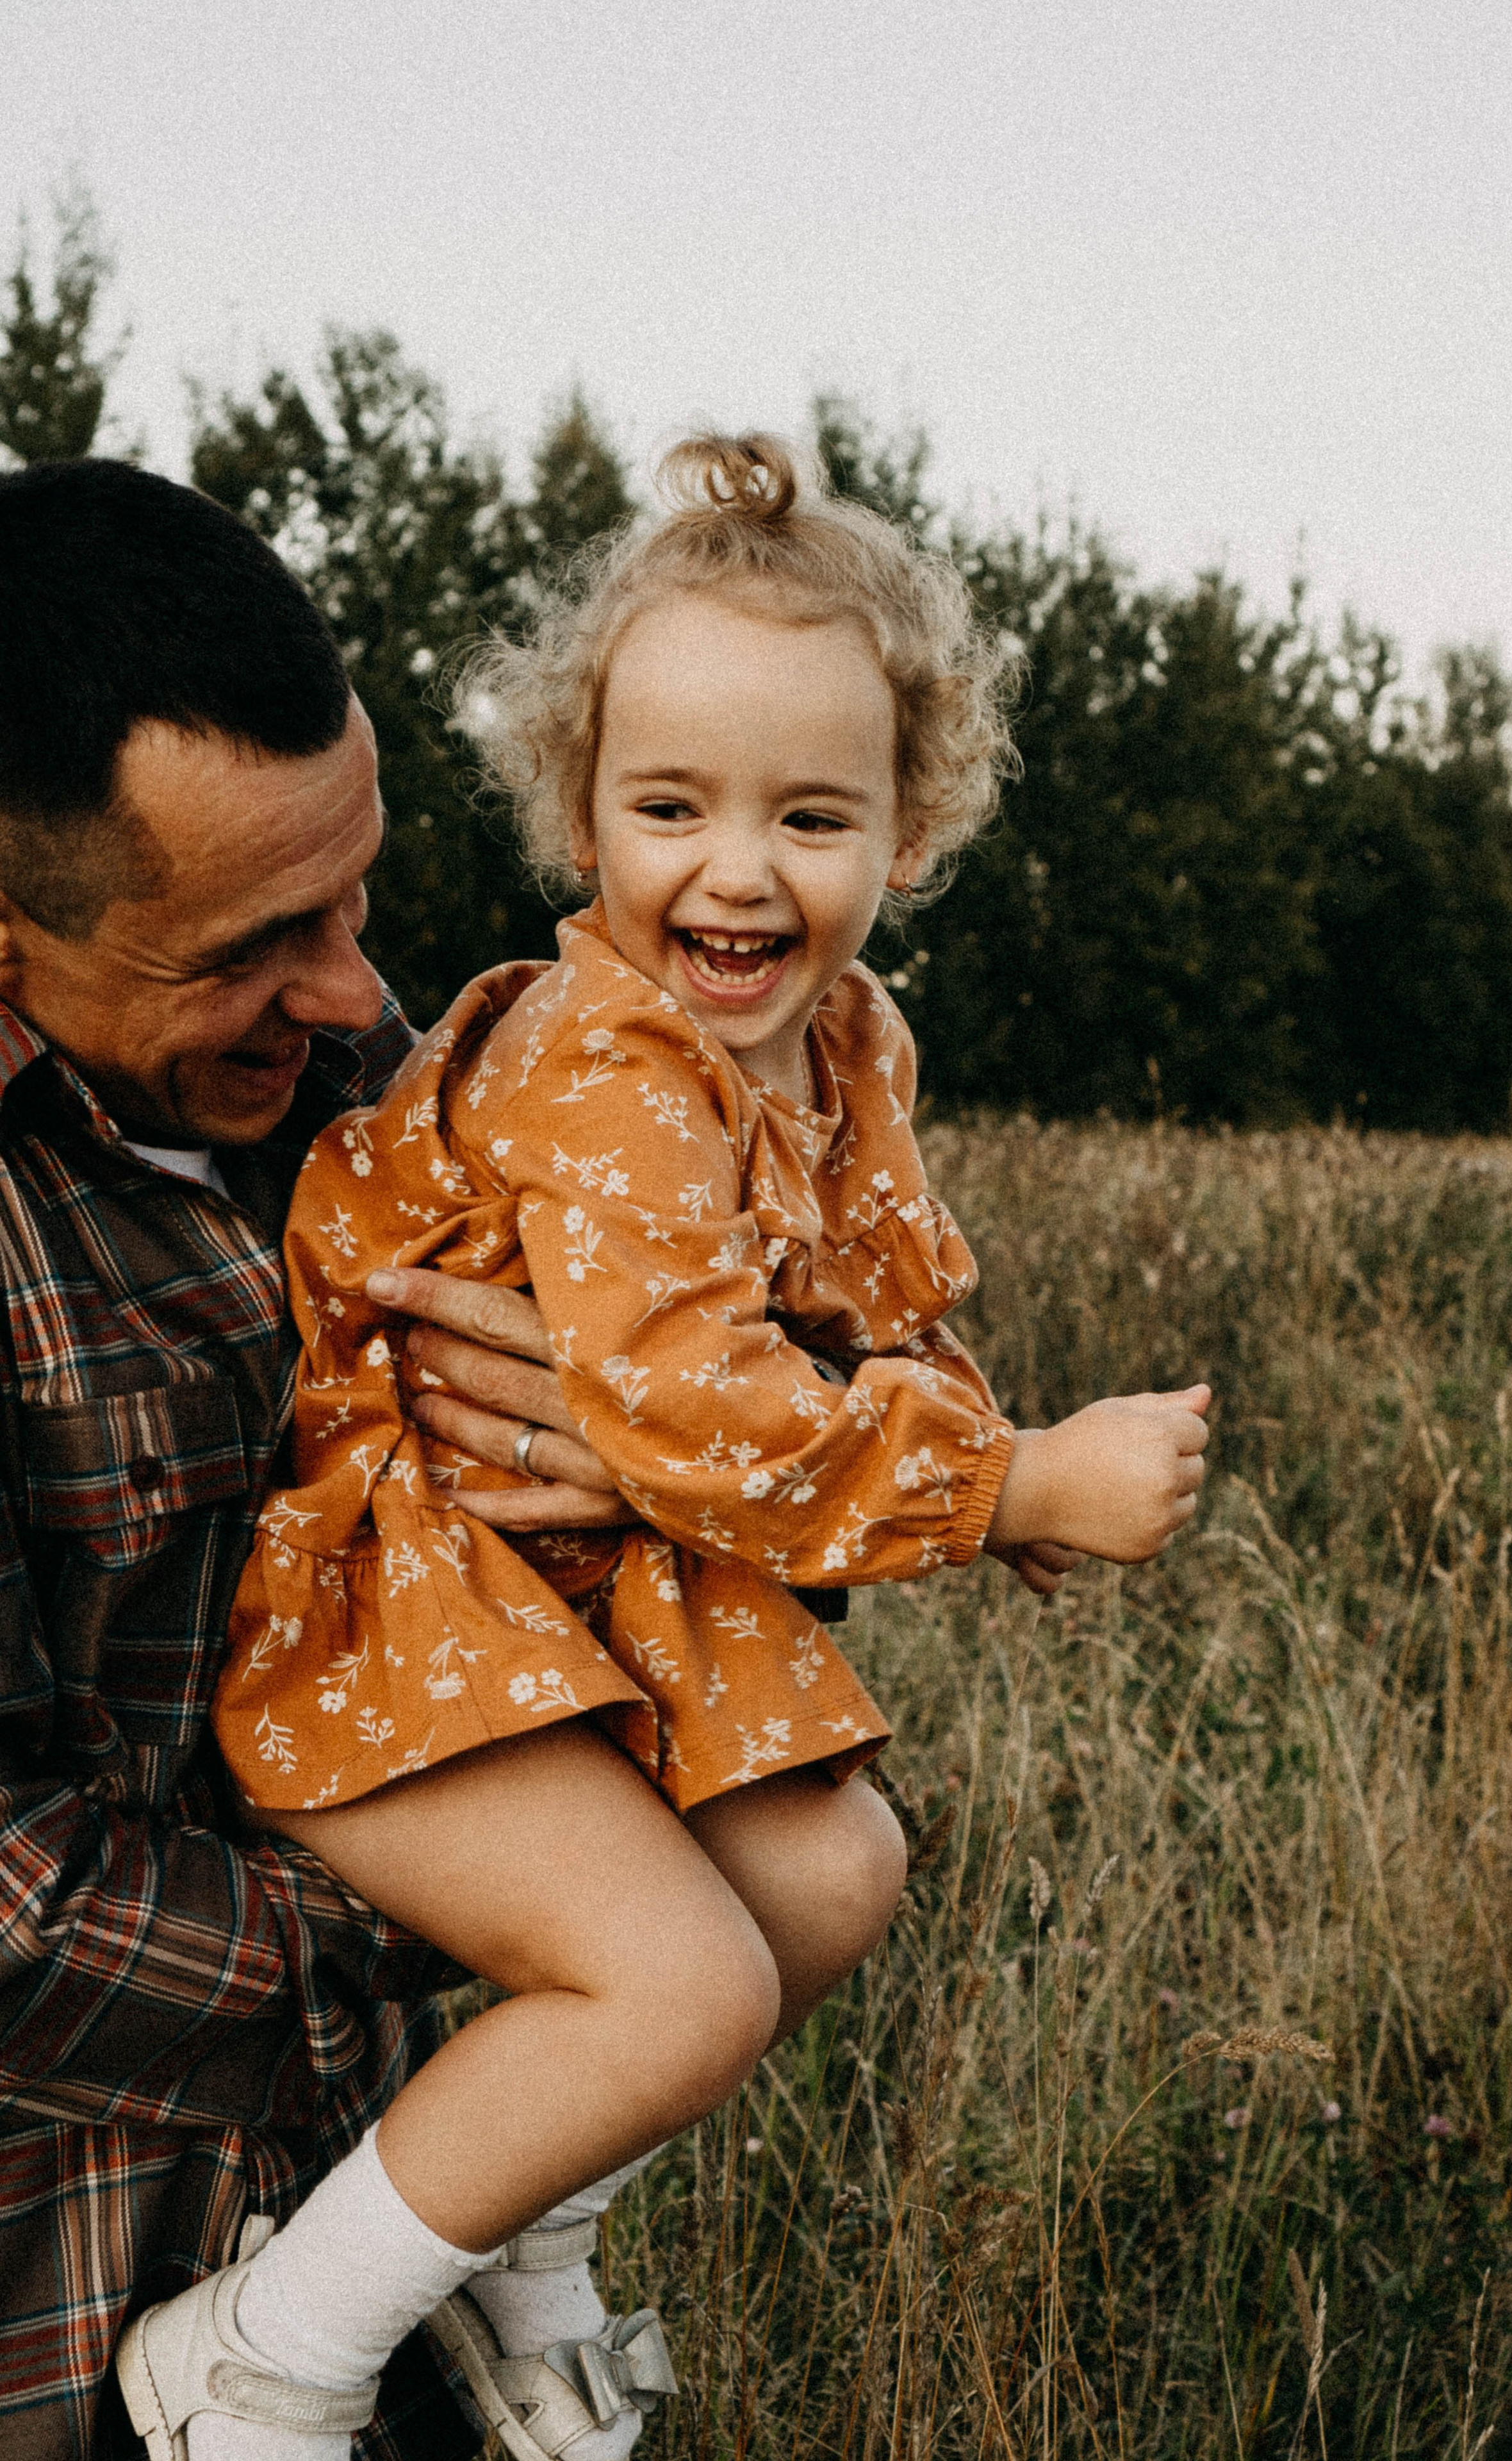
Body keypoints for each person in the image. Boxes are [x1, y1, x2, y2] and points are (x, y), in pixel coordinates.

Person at [119, 434, 1212, 2461]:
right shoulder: (605, 1053)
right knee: (687, 1988)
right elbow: (686, 1407)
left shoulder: (850, 1039)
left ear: (913, 821)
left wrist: (981, 1433)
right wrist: (1006, 1493)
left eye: (812, 814)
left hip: (606, 1588)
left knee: (833, 1871)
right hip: (415, 1587)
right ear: (583, 808)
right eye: (670, 806)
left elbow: (873, 1307)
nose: (737, 869)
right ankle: (259, 2356)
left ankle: (527, 2245)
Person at [0, 456, 633, 2461]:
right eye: (258, 941)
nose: (360, 987)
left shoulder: (391, 1098)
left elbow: (723, 1473)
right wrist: (516, 1914)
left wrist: (638, 1466)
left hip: (380, 2250)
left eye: (359, 888)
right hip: (65, 2301)